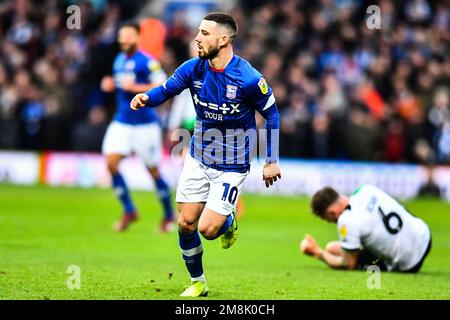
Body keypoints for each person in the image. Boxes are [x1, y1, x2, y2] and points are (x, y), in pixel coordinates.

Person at [130, 12, 281, 297]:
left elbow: (272, 116)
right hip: (198, 156)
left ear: (223, 40)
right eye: (198, 33)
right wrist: (146, 98)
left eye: (204, 34)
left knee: (208, 229)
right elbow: (166, 90)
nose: (197, 38)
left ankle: (228, 221)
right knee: (186, 222)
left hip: (232, 165)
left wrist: (271, 161)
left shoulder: (248, 78)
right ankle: (198, 281)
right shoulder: (193, 69)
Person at [101, 23, 175, 233]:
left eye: (128, 37)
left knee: (153, 171)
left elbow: (163, 85)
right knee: (111, 163)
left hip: (145, 125)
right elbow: (120, 84)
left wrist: (135, 88)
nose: (124, 41)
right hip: (122, 122)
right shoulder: (119, 60)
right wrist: (110, 84)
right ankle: (129, 210)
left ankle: (168, 216)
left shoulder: (147, 61)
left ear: (137, 37)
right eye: (121, 37)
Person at [300, 185, 432, 273]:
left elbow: (348, 264)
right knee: (334, 248)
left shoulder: (346, 220)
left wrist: (317, 253)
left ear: (332, 212)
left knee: (331, 250)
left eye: (327, 219)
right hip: (424, 234)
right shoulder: (366, 189)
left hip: (409, 263)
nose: (330, 222)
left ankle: (389, 263)